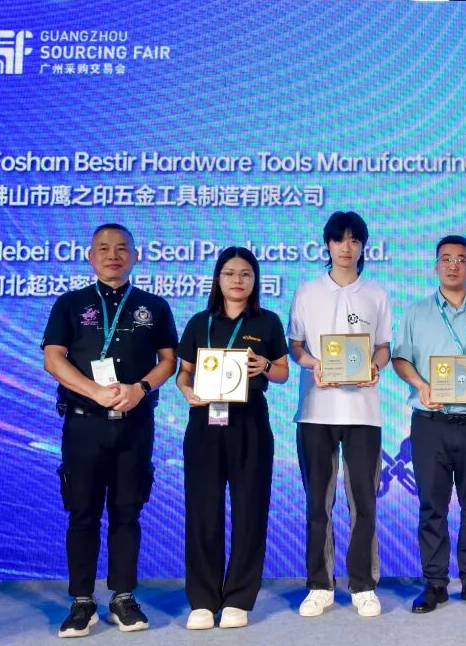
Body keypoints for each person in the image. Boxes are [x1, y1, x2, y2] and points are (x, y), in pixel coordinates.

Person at [42, 223, 177, 638]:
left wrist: (140, 389)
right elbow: (53, 358)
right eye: (103, 248)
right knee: (82, 513)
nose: (113, 255)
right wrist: (95, 391)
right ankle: (82, 601)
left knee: (127, 512)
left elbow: (168, 360)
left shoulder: (154, 306)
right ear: (90, 256)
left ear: (136, 256)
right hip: (84, 424)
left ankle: (123, 597)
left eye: (121, 248)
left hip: (135, 424)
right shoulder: (70, 303)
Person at [392, 235, 466, 613]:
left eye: (461, 260)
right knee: (432, 506)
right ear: (436, 266)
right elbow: (400, 359)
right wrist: (421, 385)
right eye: (446, 259)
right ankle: (435, 583)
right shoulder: (416, 312)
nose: (453, 265)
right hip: (431, 423)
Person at [175, 247, 289, 630]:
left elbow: (283, 373)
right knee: (203, 511)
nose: (238, 280)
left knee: (249, 510)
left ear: (255, 280)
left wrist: (266, 365)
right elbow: (184, 373)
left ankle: (239, 598)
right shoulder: (200, 322)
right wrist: (187, 390)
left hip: (250, 421)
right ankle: (203, 600)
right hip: (204, 422)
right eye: (229, 273)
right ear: (218, 279)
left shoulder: (268, 322)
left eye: (245, 274)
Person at [289, 212, 391, 619]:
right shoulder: (307, 291)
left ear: (363, 246)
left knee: (363, 502)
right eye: (338, 240)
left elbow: (383, 347)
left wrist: (375, 367)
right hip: (315, 410)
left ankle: (363, 584)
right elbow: (295, 345)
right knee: (319, 503)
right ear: (327, 245)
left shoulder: (376, 294)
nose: (346, 248)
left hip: (363, 412)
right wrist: (313, 364)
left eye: (354, 240)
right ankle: (320, 584)